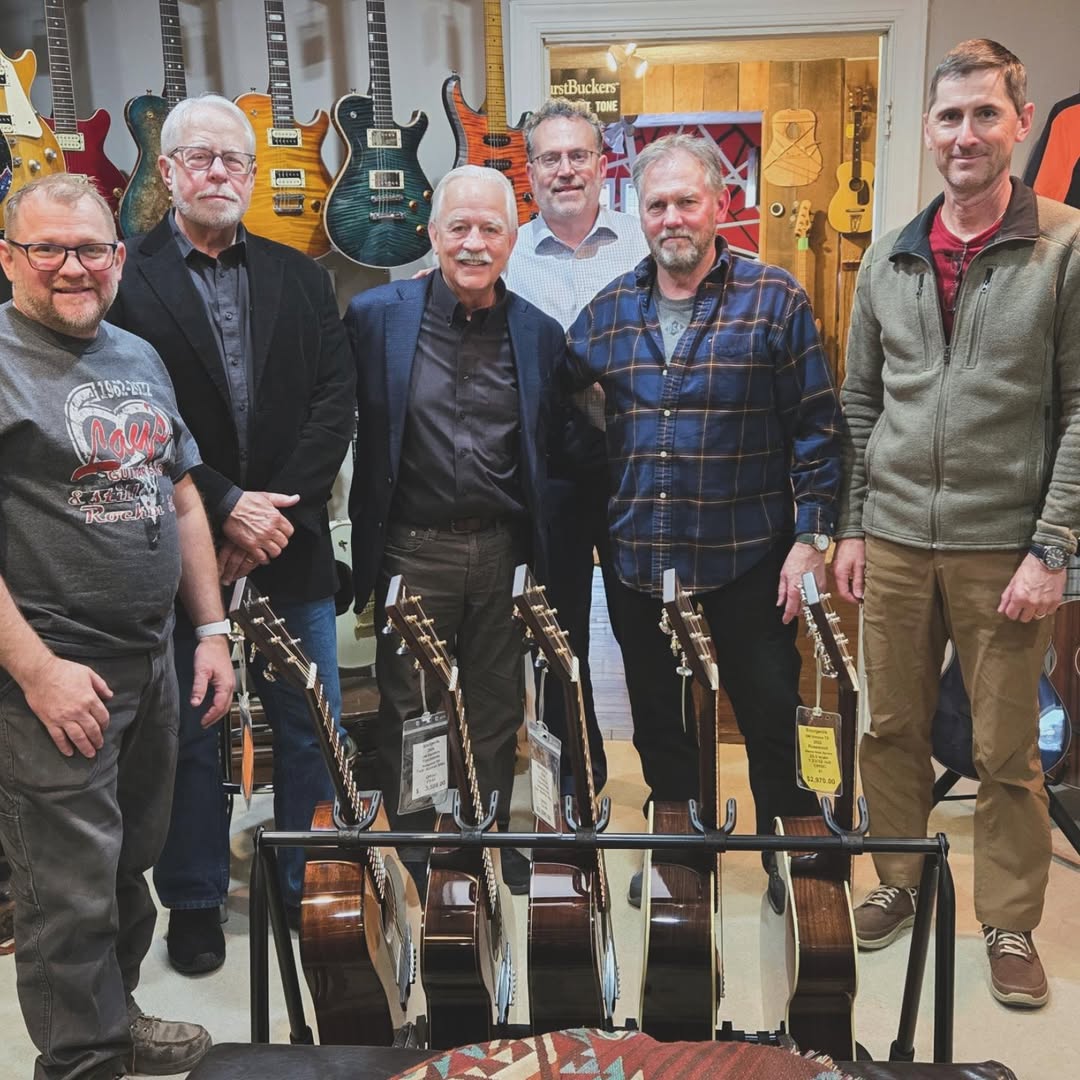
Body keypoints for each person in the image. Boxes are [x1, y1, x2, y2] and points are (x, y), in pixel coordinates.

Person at [833, 39, 1080, 1009]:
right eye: (949, 116)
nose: (966, 133)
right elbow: (859, 405)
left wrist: (1052, 547)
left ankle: (1009, 920)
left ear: (1020, 122)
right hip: (892, 540)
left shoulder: (1063, 247)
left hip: (1002, 553)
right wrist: (852, 527)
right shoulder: (892, 256)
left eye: (985, 114)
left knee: (1007, 751)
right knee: (886, 726)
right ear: (928, 131)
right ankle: (895, 876)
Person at [108, 94, 355, 974]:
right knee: (190, 731)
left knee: (308, 724)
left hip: (291, 542)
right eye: (199, 157)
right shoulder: (123, 279)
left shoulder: (304, 277)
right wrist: (223, 503)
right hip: (178, 550)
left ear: (253, 175)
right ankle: (198, 900)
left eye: (233, 160)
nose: (219, 172)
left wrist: (270, 513)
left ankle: (306, 885)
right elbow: (134, 415)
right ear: (166, 172)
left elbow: (336, 403)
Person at [564, 133, 843, 910]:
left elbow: (818, 429)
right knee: (658, 719)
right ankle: (682, 851)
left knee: (767, 710)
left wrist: (810, 539)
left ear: (721, 204)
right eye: (657, 204)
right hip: (637, 562)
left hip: (747, 554)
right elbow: (567, 419)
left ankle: (793, 855)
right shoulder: (608, 313)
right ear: (640, 214)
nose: (673, 217)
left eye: (688, 200)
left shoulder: (775, 298)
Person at [0, 174, 235, 1078]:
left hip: (151, 659)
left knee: (129, 862)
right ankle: (81, 1060)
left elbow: (178, 495)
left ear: (119, 258)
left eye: (91, 249)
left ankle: (116, 1015)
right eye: (48, 249)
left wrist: (211, 632)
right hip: (57, 668)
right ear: (10, 257)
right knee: (65, 892)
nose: (72, 267)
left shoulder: (135, 355)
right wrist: (35, 672)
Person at [346, 165, 566, 895]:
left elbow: (560, 446)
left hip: (503, 549)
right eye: (460, 227)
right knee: (412, 706)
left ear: (512, 239)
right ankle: (421, 846)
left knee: (499, 704)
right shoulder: (378, 316)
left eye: (491, 229)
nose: (474, 243)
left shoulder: (539, 334)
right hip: (413, 549)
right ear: (433, 234)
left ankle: (491, 832)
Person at [504, 97, 652, 798]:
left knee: (647, 633)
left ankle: (672, 786)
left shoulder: (643, 244)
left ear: (603, 164)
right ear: (528, 171)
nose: (566, 170)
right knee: (556, 638)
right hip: (546, 475)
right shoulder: (507, 252)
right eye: (550, 157)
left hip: (636, 472)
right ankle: (574, 781)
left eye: (579, 156)